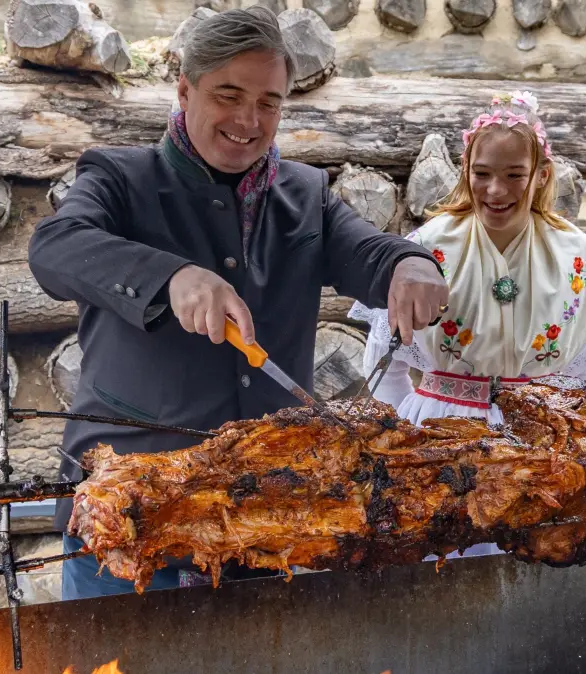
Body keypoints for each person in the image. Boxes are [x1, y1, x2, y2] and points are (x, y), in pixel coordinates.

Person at [27, 6, 449, 600]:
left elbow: (374, 254)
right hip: (133, 525)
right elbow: (54, 249)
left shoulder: (306, 195)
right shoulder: (120, 178)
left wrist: (410, 265)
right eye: (228, 95)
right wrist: (172, 277)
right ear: (185, 89)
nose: (249, 120)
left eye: (269, 102)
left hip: (266, 524)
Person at [348, 91, 586, 557]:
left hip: (534, 451)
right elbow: (388, 365)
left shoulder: (579, 259)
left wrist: (554, 439)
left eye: (514, 175)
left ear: (541, 174)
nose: (496, 190)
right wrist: (405, 439)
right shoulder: (425, 251)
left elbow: (585, 379)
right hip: (437, 440)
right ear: (466, 170)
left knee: (528, 570)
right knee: (435, 568)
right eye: (481, 174)